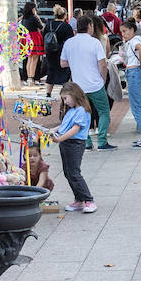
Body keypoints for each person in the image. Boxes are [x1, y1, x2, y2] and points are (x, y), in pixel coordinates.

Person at [60, 15, 112, 151]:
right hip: (95, 84)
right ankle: (102, 141)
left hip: (78, 85)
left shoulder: (69, 43)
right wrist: (103, 78)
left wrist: (76, 62)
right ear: (89, 26)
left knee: (82, 113)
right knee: (104, 111)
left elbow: (63, 63)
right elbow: (102, 64)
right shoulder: (94, 42)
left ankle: (87, 142)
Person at [47, 83, 96, 213]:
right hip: (66, 143)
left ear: (74, 94)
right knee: (68, 173)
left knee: (74, 173)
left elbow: (75, 129)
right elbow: (64, 126)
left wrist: (59, 139)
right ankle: (79, 199)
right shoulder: (72, 111)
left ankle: (89, 200)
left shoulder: (82, 111)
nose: (65, 102)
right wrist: (51, 131)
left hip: (75, 144)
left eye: (65, 98)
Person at [115, 18, 141, 150]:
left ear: (132, 30)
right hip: (138, 74)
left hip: (134, 73)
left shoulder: (134, 41)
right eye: (121, 31)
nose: (123, 34)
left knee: (137, 107)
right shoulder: (140, 39)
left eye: (125, 31)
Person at [43, 5, 74, 97]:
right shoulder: (66, 26)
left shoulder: (49, 24)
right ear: (65, 16)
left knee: (51, 72)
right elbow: (70, 40)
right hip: (62, 52)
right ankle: (64, 93)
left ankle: (48, 93)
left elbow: (44, 36)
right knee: (64, 73)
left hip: (50, 52)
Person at [21, 4, 43, 83]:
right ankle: (32, 77)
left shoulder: (24, 18)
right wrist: (39, 19)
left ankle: (28, 78)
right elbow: (41, 27)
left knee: (29, 59)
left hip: (27, 38)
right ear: (32, 9)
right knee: (35, 59)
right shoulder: (34, 18)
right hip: (34, 38)